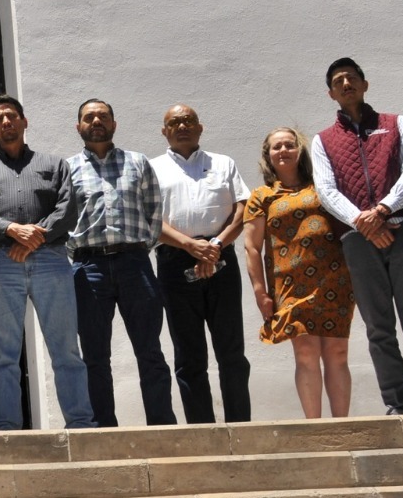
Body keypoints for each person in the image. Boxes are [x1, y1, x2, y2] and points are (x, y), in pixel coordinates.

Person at [311, 57, 403, 416]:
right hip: (357, 240)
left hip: (402, 229)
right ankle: (397, 403)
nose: (345, 84)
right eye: (338, 80)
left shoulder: (396, 124)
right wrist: (363, 222)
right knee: (378, 326)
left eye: (351, 78)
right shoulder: (323, 141)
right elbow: (326, 191)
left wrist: (383, 211)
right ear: (330, 93)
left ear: (364, 84)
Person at [0, 94, 96, 431]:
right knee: (3, 354)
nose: (6, 122)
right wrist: (11, 230)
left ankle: (80, 423)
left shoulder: (55, 165)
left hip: (51, 260)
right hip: (0, 263)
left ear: (24, 122)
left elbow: (68, 208)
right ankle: (5, 428)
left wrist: (36, 237)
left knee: (66, 349)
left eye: (12, 116)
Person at [65, 99, 176, 427]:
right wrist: (78, 253)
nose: (96, 120)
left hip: (134, 264)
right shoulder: (67, 169)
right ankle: (103, 430)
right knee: (95, 357)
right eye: (89, 117)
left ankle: (161, 426)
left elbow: (154, 211)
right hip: (88, 269)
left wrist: (139, 248)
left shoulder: (137, 163)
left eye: (103, 116)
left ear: (114, 124)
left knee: (150, 351)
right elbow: (62, 219)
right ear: (78, 126)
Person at [242, 127, 355, 419]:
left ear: (300, 150)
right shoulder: (262, 196)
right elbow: (252, 248)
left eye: (289, 145)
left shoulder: (323, 186)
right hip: (290, 286)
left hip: (335, 278)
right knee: (305, 354)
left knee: (338, 354)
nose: (283, 151)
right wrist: (260, 292)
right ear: (268, 156)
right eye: (276, 147)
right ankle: (315, 427)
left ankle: (341, 425)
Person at [151, 104, 252, 424]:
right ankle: (202, 430)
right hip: (174, 260)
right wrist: (189, 245)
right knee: (189, 355)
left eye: (188, 121)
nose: (182, 126)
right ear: (164, 131)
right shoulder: (150, 168)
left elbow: (242, 209)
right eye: (174, 122)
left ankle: (240, 427)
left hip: (220, 254)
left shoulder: (223, 163)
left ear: (200, 127)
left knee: (231, 352)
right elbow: (148, 219)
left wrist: (216, 245)